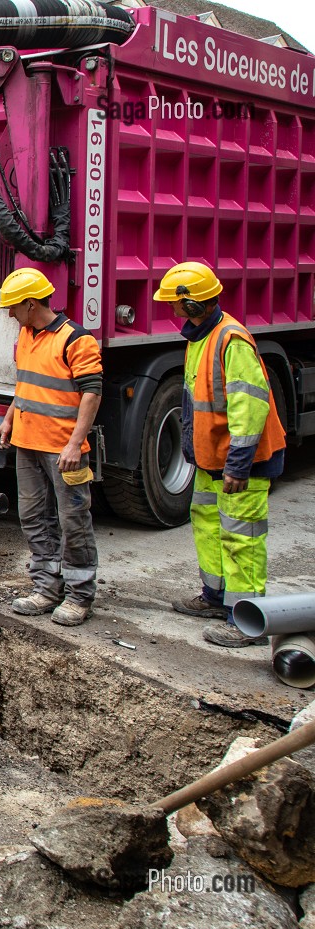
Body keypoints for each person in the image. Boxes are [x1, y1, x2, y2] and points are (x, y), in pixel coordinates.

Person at [154, 261, 286, 648]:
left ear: (192, 303)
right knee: (210, 526)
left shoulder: (231, 340)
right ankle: (215, 598)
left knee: (241, 537)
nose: (171, 309)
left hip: (239, 463)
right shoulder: (201, 336)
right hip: (213, 460)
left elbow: (250, 408)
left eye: (175, 303)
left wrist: (238, 465)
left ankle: (246, 619)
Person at [0, 267, 103, 627]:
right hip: (28, 443)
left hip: (63, 451)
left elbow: (92, 393)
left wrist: (75, 444)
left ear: (30, 303)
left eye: (13, 307)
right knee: (34, 518)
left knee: (73, 521)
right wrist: (9, 418)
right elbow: (25, 385)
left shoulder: (76, 340)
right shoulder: (27, 335)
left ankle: (79, 594)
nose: (9, 314)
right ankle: (46, 587)